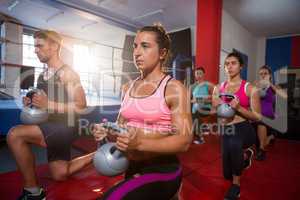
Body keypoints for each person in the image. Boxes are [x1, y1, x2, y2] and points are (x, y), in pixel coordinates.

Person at [92, 24, 192, 200]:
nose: (137, 52)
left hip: (162, 168)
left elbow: (183, 141)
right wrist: (106, 131)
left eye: (145, 46)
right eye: (135, 46)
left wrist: (139, 144)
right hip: (131, 165)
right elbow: (121, 126)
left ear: (162, 53)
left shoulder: (173, 88)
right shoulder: (127, 87)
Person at [6, 30, 94, 200]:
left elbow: (82, 105)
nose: (35, 50)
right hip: (49, 124)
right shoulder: (42, 75)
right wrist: (31, 103)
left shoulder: (67, 73)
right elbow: (44, 102)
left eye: (39, 45)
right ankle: (95, 155)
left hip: (63, 126)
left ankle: (33, 192)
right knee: (60, 174)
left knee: (15, 135)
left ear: (54, 46)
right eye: (35, 46)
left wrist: (48, 105)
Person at [212, 52, 261, 200]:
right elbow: (216, 112)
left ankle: (236, 186)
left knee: (234, 145)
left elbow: (258, 116)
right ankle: (245, 157)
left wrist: (239, 108)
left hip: (244, 129)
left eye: (233, 63)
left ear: (241, 66)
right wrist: (215, 108)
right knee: (227, 173)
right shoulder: (217, 88)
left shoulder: (250, 88)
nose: (229, 66)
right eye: (227, 64)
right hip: (227, 129)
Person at [254, 65, 286, 160]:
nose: (263, 76)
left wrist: (269, 84)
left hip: (268, 114)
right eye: (261, 74)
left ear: (270, 75)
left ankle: (262, 151)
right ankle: (271, 137)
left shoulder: (274, 86)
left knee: (261, 122)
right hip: (257, 113)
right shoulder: (256, 84)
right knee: (260, 141)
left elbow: (284, 96)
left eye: (265, 73)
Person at [190, 67, 214, 144]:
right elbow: (189, 100)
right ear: (195, 75)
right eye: (197, 73)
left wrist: (199, 100)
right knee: (192, 112)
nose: (199, 75)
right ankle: (201, 129)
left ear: (204, 74)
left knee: (195, 113)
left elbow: (213, 99)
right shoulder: (192, 87)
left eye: (200, 73)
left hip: (206, 108)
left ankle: (200, 137)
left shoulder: (208, 85)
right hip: (195, 108)